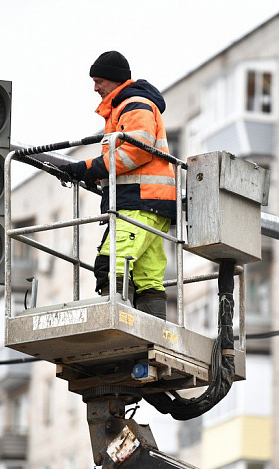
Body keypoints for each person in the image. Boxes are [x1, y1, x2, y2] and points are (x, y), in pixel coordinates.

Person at [60, 51, 176, 320]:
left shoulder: (134, 104)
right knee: (147, 278)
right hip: (150, 204)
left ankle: (119, 327)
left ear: (114, 80)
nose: (95, 87)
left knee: (110, 264)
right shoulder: (127, 107)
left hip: (138, 202)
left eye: (99, 81)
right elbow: (127, 157)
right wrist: (94, 173)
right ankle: (152, 332)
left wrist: (87, 168)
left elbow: (136, 152)